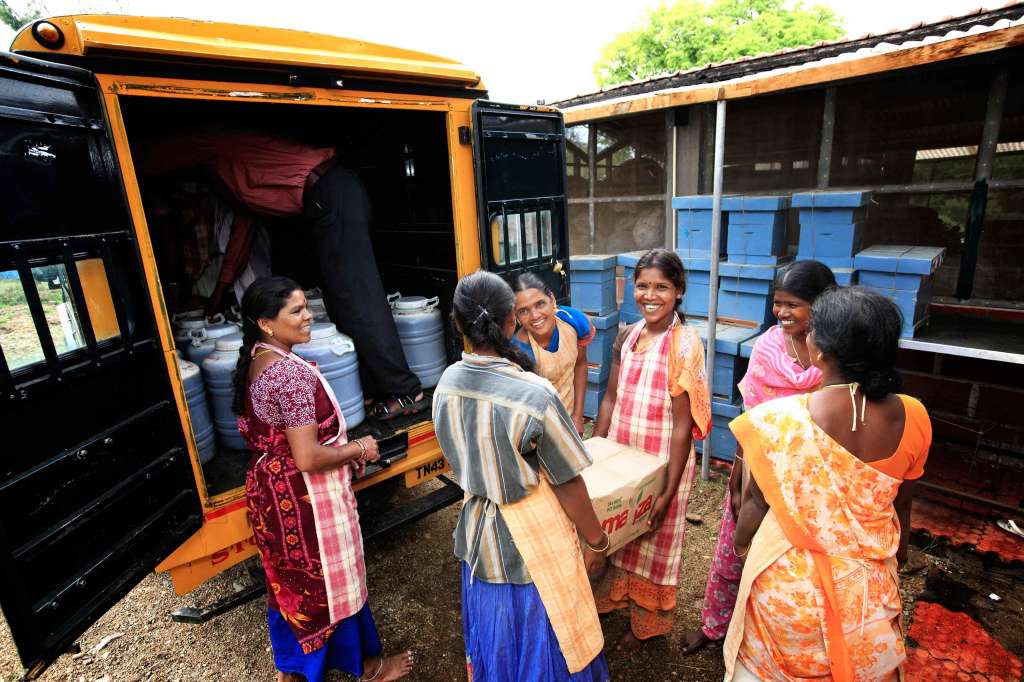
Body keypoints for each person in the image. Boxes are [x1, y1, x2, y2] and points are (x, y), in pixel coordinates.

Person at [140, 128, 426, 419]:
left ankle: (406, 391)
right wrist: (219, 291)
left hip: (331, 192)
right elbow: (242, 235)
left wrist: (138, 169)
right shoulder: (226, 177)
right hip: (321, 202)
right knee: (341, 305)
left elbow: (156, 156)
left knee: (357, 298)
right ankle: (375, 387)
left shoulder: (212, 148)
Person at [724, 287, 932, 681]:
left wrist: (739, 547)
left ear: (820, 348)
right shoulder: (915, 416)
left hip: (788, 595)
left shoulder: (775, 421)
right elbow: (902, 503)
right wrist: (899, 554)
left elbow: (754, 505)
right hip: (867, 597)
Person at [432, 270, 610, 682]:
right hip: (536, 537)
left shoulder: (446, 384)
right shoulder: (534, 394)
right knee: (550, 637)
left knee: (499, 639)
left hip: (480, 534)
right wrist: (597, 542)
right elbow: (567, 482)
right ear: (512, 319)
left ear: (458, 324)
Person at [233, 276, 413, 682]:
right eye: (295, 310)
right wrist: (358, 448)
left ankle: (293, 668)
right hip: (304, 500)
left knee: (289, 583)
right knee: (329, 584)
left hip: (272, 493)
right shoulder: (290, 377)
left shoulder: (259, 357)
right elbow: (309, 456)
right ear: (266, 322)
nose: (307, 315)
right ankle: (363, 666)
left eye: (305, 306)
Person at [681, 259, 836, 655]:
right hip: (759, 466)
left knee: (788, 563)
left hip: (811, 477)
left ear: (821, 305)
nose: (781, 312)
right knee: (736, 547)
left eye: (793, 304)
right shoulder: (768, 346)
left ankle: (765, 639)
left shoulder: (836, 353)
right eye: (777, 303)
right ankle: (715, 627)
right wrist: (738, 469)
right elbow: (752, 412)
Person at [592, 248, 712, 652]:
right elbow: (609, 398)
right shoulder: (628, 336)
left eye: (662, 286)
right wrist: (596, 454)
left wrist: (667, 490)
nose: (650, 295)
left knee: (655, 542)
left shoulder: (684, 344)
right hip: (623, 456)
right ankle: (616, 598)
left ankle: (647, 623)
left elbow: (682, 426)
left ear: (679, 291)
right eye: (642, 286)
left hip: (662, 462)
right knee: (621, 533)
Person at [511, 272, 595, 433]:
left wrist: (577, 417)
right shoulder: (518, 351)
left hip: (570, 420)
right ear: (516, 316)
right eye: (523, 311)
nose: (535, 316)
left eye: (540, 304)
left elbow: (580, 364)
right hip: (538, 433)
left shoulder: (574, 321)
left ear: (553, 300)